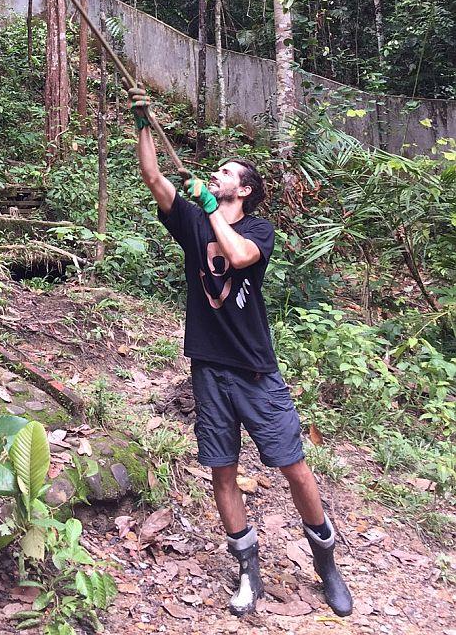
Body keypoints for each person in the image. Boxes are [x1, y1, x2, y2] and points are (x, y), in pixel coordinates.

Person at [129, 86, 352, 618]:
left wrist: (212, 213)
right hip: (210, 368)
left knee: (293, 467)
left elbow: (238, 255)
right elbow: (154, 179)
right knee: (222, 472)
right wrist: (143, 123)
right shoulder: (191, 218)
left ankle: (326, 561)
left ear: (244, 190)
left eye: (228, 173)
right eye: (218, 172)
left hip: (254, 371)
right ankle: (247, 568)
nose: (218, 175)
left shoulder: (258, 230)